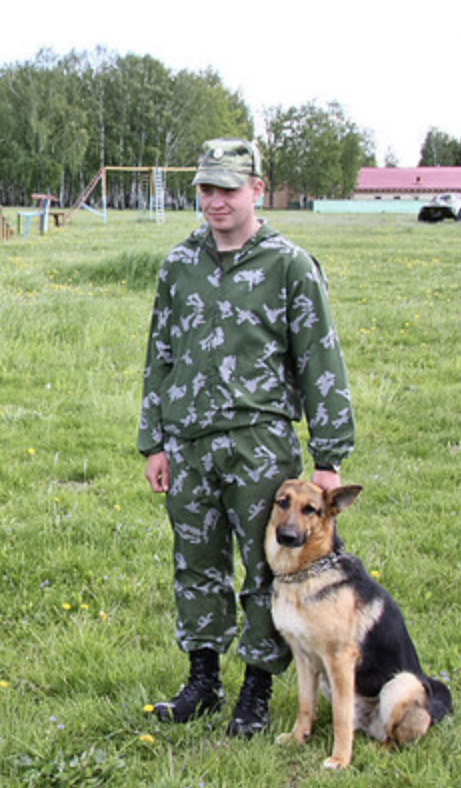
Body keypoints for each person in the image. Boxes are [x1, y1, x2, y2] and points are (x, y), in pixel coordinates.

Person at [137, 138, 355, 738]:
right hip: (189, 442)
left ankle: (256, 690)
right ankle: (203, 681)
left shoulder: (289, 265)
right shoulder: (179, 264)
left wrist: (329, 457)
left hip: (260, 444)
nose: (215, 201)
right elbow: (161, 354)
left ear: (257, 188)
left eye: (228, 188)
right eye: (206, 189)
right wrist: (153, 440)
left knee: (268, 570)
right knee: (196, 564)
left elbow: (320, 361)